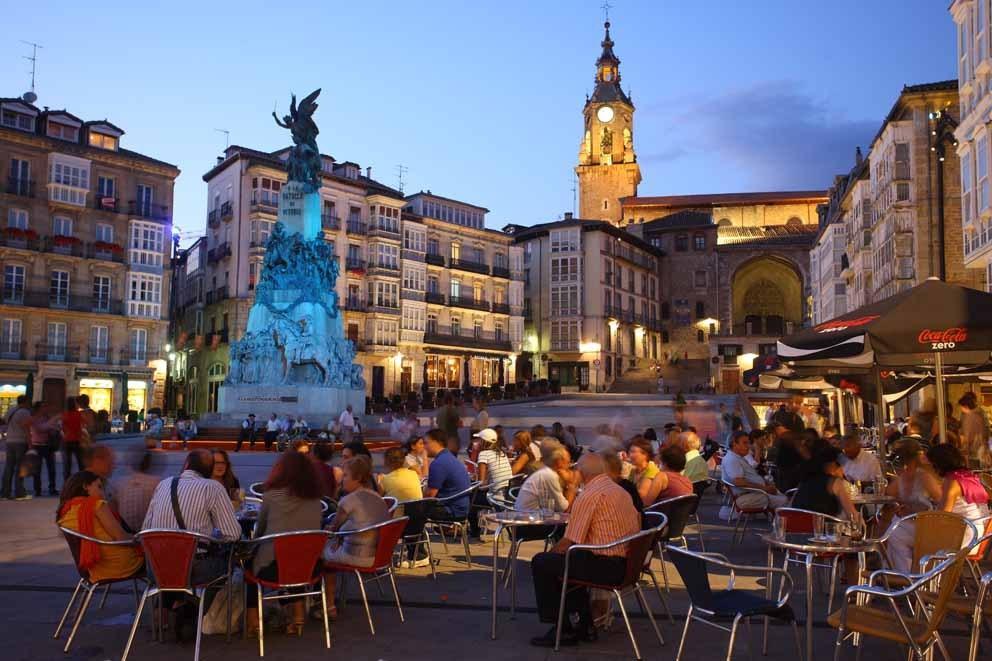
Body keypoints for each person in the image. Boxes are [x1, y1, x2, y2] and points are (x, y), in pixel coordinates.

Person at [528, 454, 641, 647]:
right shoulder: (619, 491)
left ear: (581, 473)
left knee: (543, 563)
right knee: (573, 560)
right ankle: (584, 624)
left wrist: (550, 555)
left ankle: (562, 628)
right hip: (627, 565)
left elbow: (570, 540)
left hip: (607, 567)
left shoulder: (589, 495)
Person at [246, 451, 323, 636]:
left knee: (247, 566)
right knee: (296, 554)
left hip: (274, 569)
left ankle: (253, 622)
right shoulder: (316, 501)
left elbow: (260, 532)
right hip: (311, 568)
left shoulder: (271, 497)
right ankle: (297, 617)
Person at [142, 449, 242, 577]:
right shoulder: (213, 487)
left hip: (156, 568)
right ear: (209, 469)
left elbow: (146, 528)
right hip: (193, 569)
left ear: (187, 464)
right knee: (234, 566)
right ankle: (208, 597)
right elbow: (232, 534)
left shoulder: (164, 484)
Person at [322, 456, 391, 614]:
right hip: (378, 556)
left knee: (320, 554)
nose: (342, 480)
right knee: (331, 547)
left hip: (358, 556)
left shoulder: (348, 501)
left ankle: (328, 605)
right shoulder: (378, 498)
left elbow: (332, 530)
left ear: (358, 478)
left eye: (345, 475)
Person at [57, 470, 143, 583]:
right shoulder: (97, 505)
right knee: (158, 560)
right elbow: (121, 537)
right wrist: (140, 539)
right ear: (86, 486)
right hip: (117, 565)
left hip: (91, 568)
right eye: (99, 487)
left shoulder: (65, 511)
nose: (102, 493)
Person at [879, 440, 942, 572]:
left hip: (927, 525)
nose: (904, 467)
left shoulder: (925, 477)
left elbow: (940, 502)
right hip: (909, 523)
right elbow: (887, 496)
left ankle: (904, 575)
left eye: (905, 462)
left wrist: (914, 509)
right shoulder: (900, 479)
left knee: (895, 533)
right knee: (892, 526)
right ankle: (901, 573)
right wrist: (898, 505)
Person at [927, 443, 990, 546]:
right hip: (981, 534)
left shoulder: (952, 482)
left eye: (930, 464)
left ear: (937, 464)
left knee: (915, 538)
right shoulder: (969, 476)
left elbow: (942, 516)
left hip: (966, 536)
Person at [721, 431, 788, 510]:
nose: (748, 446)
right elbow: (739, 482)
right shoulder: (732, 459)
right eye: (745, 443)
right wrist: (764, 488)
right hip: (747, 497)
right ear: (734, 444)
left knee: (784, 497)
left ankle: (777, 519)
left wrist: (765, 484)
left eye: (748, 443)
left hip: (753, 494)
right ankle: (780, 521)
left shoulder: (737, 457)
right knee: (785, 501)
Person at [792, 445, 861, 522]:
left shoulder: (803, 481)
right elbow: (852, 515)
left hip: (797, 529)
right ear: (832, 464)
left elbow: (791, 507)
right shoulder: (834, 482)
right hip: (824, 531)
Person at [467, 429, 513, 537]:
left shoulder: (484, 454)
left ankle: (474, 532)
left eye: (479, 440)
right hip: (505, 496)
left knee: (468, 499)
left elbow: (481, 484)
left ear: (484, 441)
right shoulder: (502, 453)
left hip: (493, 498)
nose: (477, 442)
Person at [515, 439, 578, 513]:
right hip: (529, 521)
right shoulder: (549, 475)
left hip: (533, 516)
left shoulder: (547, 472)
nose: (569, 466)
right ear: (559, 462)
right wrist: (571, 485)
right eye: (567, 462)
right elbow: (564, 509)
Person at [423, 428, 471, 521]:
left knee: (410, 509)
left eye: (426, 443)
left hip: (451, 510)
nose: (424, 447)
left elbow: (430, 495)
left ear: (436, 442)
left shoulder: (438, 463)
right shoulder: (450, 457)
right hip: (461, 507)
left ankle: (415, 535)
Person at [111, 452, 161, 533]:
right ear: (150, 465)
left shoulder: (119, 483)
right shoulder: (158, 483)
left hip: (124, 533)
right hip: (146, 534)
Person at [1, 395, 32, 500]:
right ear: (25, 402)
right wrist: (30, 442)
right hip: (20, 441)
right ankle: (19, 493)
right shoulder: (25, 412)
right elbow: (26, 428)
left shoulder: (11, 410)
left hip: (9, 441)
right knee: (20, 468)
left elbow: (5, 423)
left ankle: (5, 493)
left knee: (8, 467)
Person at [29, 402, 60, 497]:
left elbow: (54, 429)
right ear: (38, 409)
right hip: (37, 445)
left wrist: (52, 427)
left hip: (48, 445)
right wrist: (52, 423)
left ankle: (52, 488)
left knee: (51, 468)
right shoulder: (34, 418)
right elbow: (41, 428)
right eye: (44, 407)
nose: (46, 409)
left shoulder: (47, 418)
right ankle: (37, 489)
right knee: (37, 469)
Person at [958, 392, 990, 467]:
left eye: (961, 406)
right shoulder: (979, 414)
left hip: (974, 451)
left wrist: (964, 449)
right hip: (982, 449)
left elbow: (968, 436)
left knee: (975, 471)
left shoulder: (969, 417)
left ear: (965, 406)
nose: (961, 409)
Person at [626, 436, 660, 504]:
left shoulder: (651, 469)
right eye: (629, 452)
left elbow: (642, 494)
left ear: (645, 454)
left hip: (648, 509)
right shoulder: (634, 470)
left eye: (633, 452)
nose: (630, 455)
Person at [61, 397, 85, 482]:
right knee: (81, 463)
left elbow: (62, 428)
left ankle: (67, 483)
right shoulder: (78, 414)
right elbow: (82, 426)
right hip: (77, 440)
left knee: (67, 465)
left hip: (66, 440)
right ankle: (82, 481)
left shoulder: (64, 414)